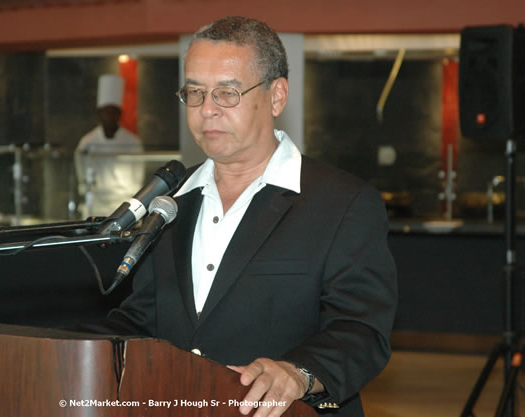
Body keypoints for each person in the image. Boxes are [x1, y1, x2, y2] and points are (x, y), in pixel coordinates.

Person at [100, 16, 397, 417]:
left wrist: (299, 373)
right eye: (195, 92)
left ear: (276, 96)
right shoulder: (173, 202)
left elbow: (362, 330)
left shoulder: (342, 203)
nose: (207, 110)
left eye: (226, 93)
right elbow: (142, 319)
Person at [74, 74, 144, 218]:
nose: (109, 116)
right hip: (96, 207)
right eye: (106, 112)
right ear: (99, 113)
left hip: (124, 205)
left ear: (119, 114)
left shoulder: (133, 142)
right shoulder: (87, 142)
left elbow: (138, 179)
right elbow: (82, 179)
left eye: (113, 112)